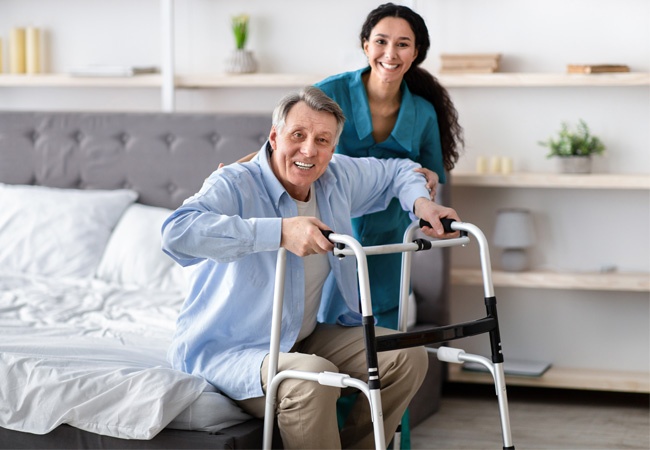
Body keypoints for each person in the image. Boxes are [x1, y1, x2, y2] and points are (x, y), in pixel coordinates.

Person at [162, 86, 461, 449]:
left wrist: (421, 203)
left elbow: (396, 171)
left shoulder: (336, 176)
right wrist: (279, 232)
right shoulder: (235, 183)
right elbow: (176, 233)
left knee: (407, 357)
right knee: (315, 378)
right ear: (274, 136)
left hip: (303, 334)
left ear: (333, 148)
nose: (309, 150)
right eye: (298, 135)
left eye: (322, 140)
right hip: (231, 348)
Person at [315, 2, 464, 330]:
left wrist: (431, 179)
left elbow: (433, 172)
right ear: (365, 45)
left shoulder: (423, 112)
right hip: (331, 231)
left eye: (402, 44)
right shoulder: (328, 94)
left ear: (415, 53)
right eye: (381, 41)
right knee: (322, 328)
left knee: (383, 340)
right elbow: (286, 147)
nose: (390, 53)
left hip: (390, 235)